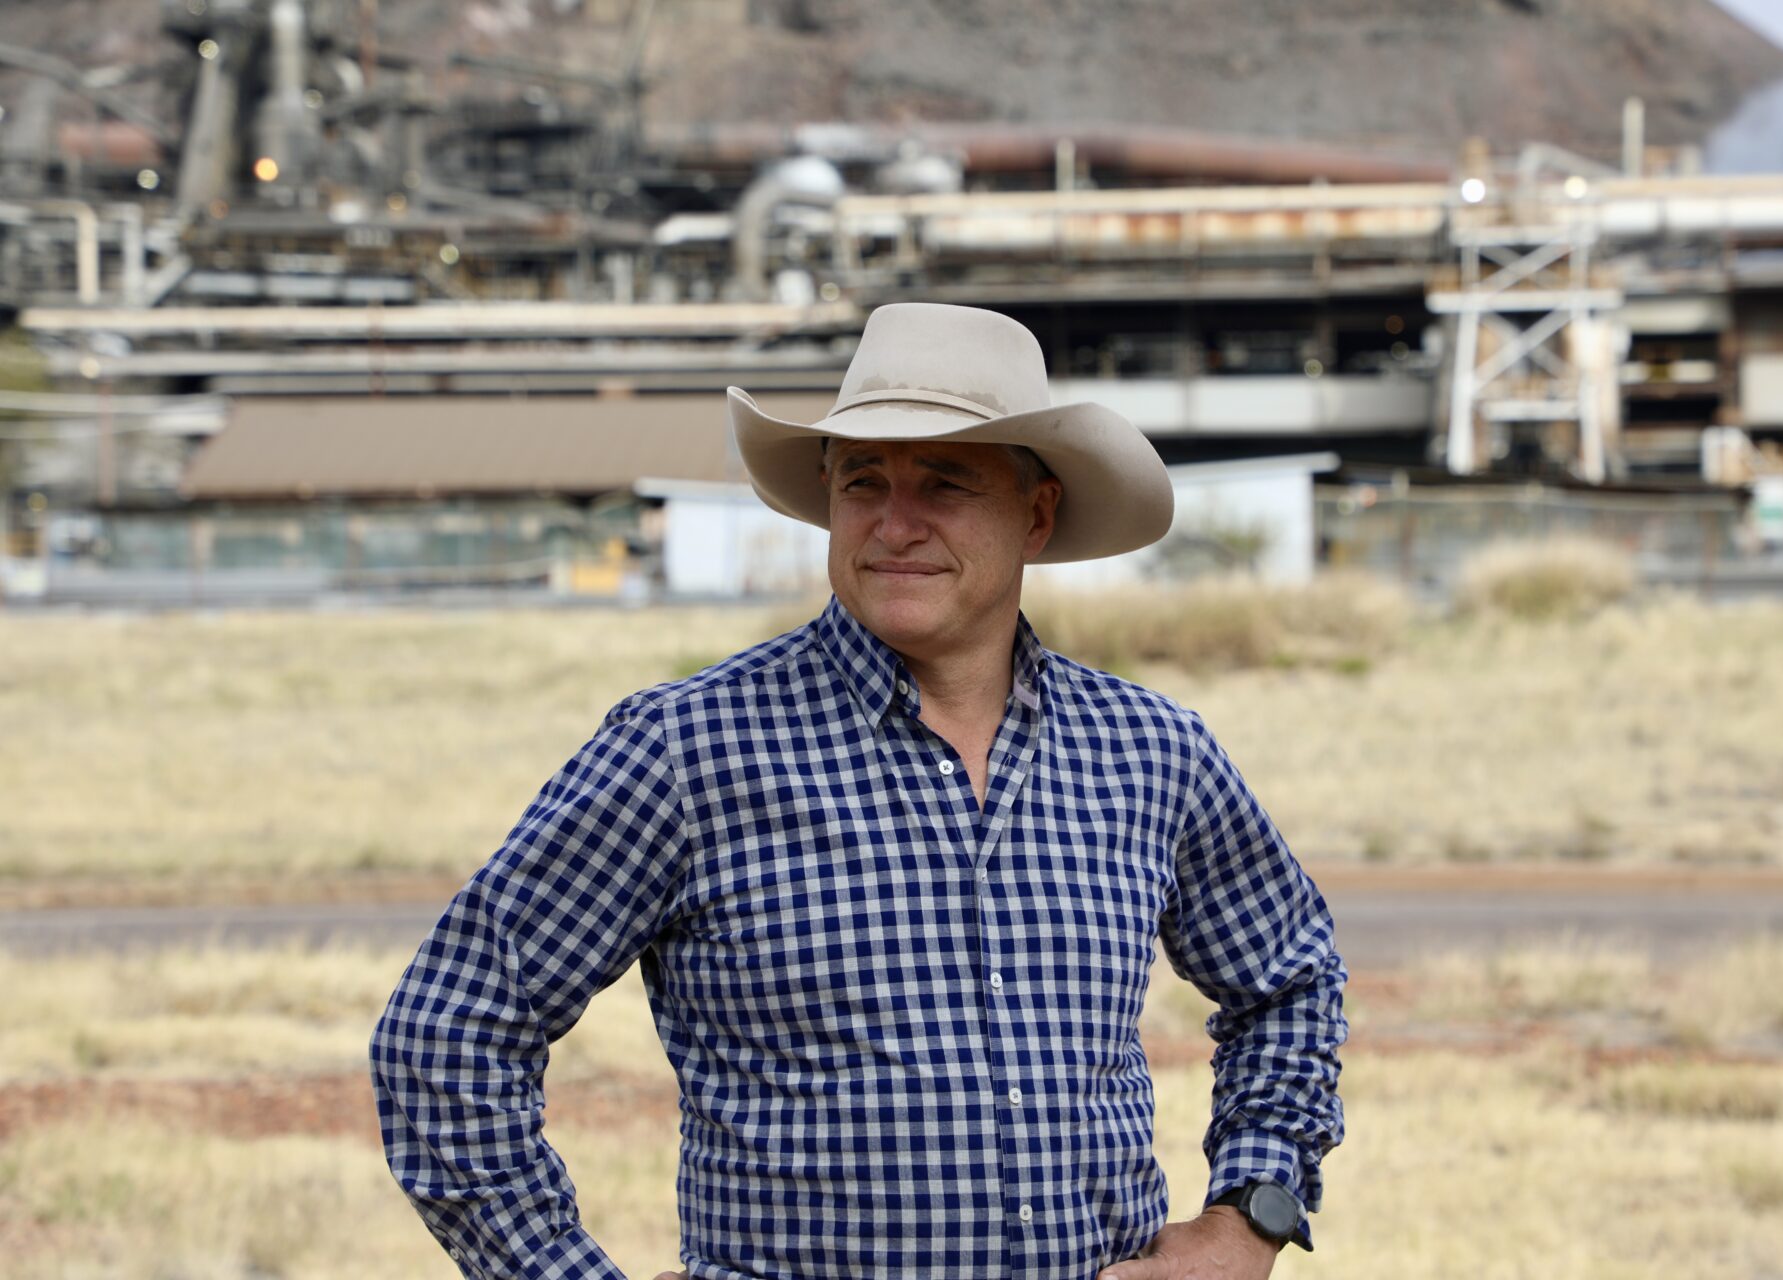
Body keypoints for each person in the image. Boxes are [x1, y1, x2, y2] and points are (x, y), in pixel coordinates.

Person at [370, 302, 1346, 1280]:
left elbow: (1289, 980)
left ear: (1037, 514)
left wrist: (1247, 1219)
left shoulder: (1150, 753)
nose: (895, 524)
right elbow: (447, 1037)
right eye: (863, 480)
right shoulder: (687, 750)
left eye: (946, 482)